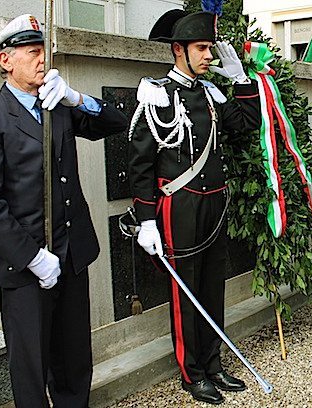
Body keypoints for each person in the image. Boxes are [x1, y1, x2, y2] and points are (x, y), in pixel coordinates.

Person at [0, 14, 128, 407]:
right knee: (32, 372)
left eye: (45, 52)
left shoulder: (57, 105)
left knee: (73, 365)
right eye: (34, 52)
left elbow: (117, 121)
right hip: (27, 267)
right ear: (5, 60)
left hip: (71, 257)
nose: (43, 61)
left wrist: (77, 98)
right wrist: (33, 257)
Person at [127, 9, 260, 405]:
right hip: (179, 207)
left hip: (213, 205)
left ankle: (214, 362)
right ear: (177, 50)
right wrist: (146, 220)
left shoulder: (211, 92)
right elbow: (139, 165)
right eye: (202, 48)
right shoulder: (156, 93)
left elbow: (247, 124)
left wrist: (240, 80)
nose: (209, 55)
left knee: (211, 287)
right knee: (186, 293)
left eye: (209, 47)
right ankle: (193, 372)